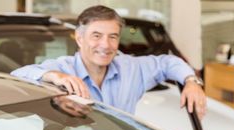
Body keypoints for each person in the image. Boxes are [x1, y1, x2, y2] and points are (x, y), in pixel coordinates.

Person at [11, 5, 207, 118]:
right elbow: (15, 78)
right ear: (79, 38)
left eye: (113, 37)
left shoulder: (131, 69)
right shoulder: (62, 69)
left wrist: (191, 81)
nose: (105, 45)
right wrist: (52, 76)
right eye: (96, 36)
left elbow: (168, 62)